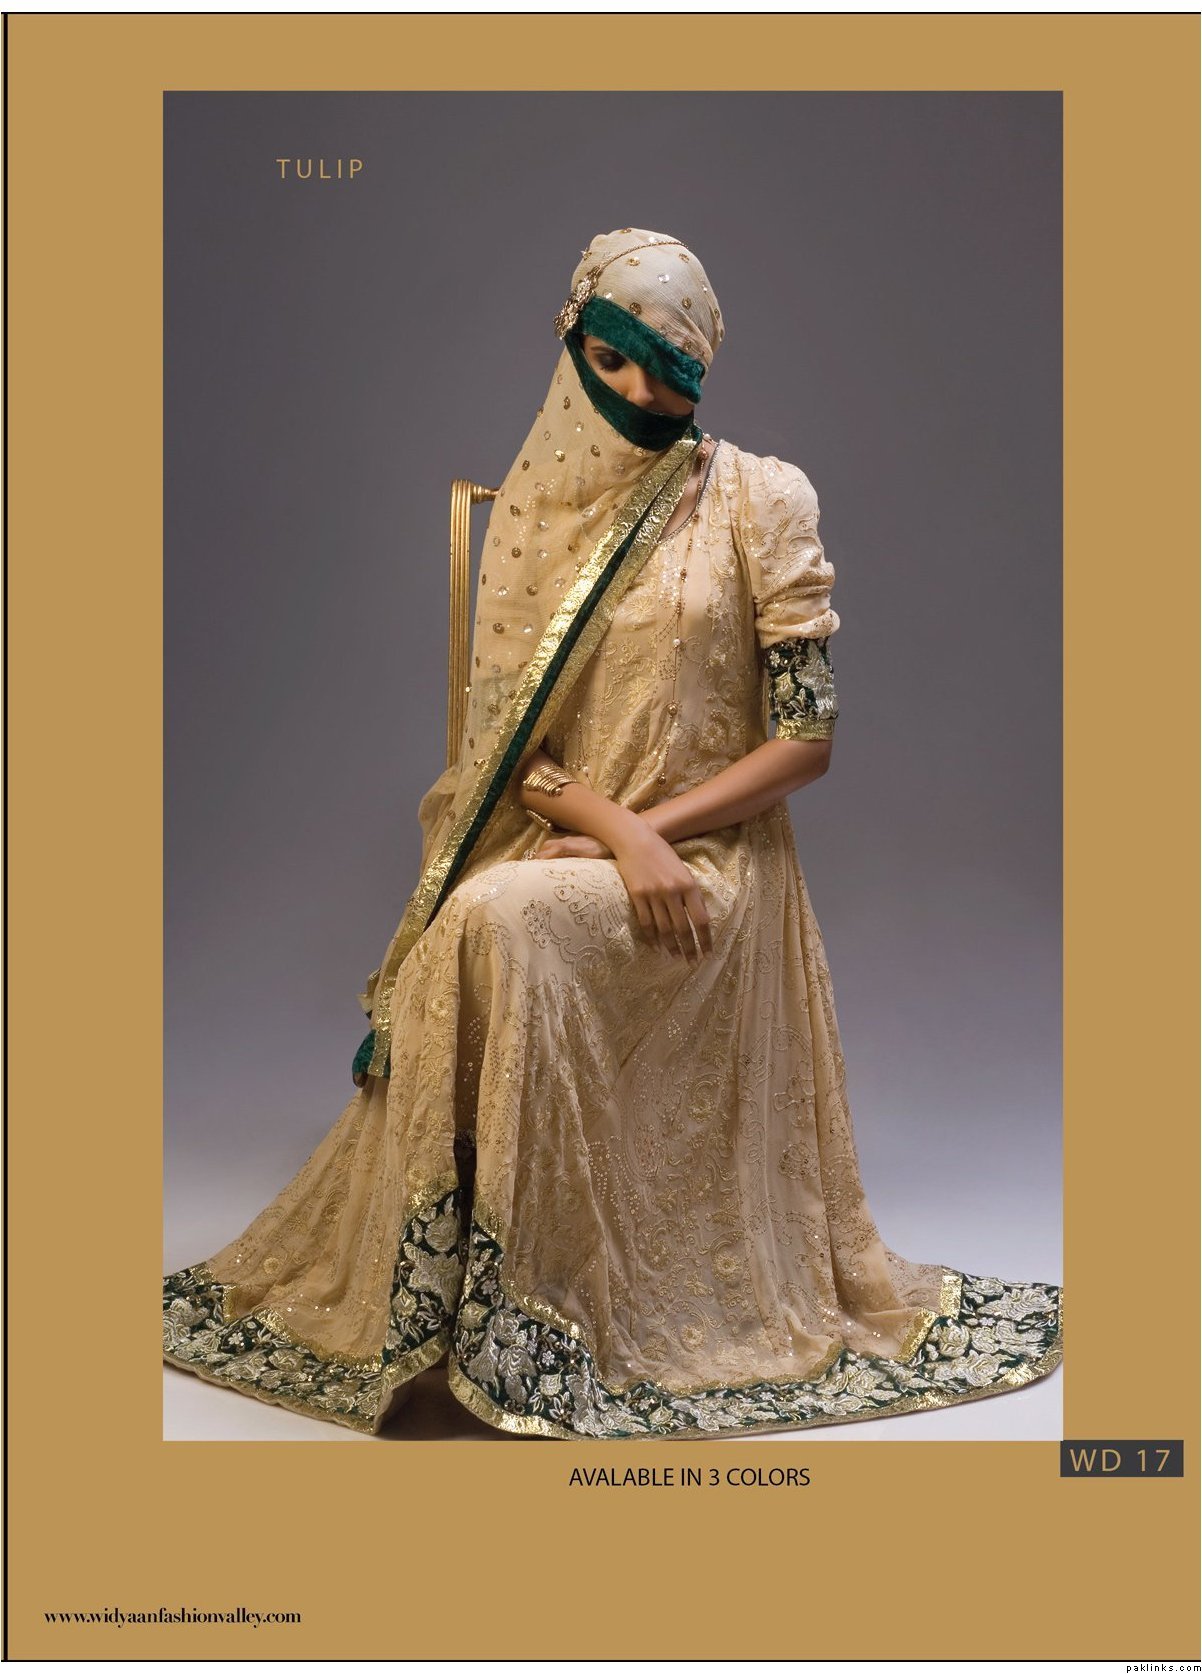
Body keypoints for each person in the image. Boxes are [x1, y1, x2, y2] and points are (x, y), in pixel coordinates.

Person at [163, 226, 1063, 1439]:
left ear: (704, 372)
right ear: (570, 345)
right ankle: (470, 1306)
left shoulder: (760, 498)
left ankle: (535, 1317)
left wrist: (649, 837)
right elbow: (505, 757)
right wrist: (607, 831)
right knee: (494, 913)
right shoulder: (532, 519)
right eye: (612, 357)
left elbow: (805, 743)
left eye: (670, 369)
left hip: (717, 864)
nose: (638, 391)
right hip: (577, 846)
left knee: (498, 918)